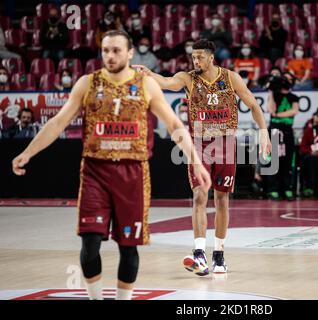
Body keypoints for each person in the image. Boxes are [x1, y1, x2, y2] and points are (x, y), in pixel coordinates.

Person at [11, 30, 211, 300]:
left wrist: (195, 161)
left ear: (130, 53)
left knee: (128, 247)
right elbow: (58, 122)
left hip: (133, 172)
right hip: (95, 171)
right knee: (90, 241)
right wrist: (28, 152)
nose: (110, 55)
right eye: (106, 50)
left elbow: (175, 124)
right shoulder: (87, 83)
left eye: (116, 50)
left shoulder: (145, 84)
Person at [141, 39, 271, 275]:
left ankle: (219, 255)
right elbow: (167, 82)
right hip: (199, 145)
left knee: (222, 199)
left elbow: (253, 104)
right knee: (200, 195)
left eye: (200, 57)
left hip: (225, 144)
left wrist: (263, 133)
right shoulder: (188, 78)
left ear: (211, 58)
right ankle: (199, 253)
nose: (196, 61)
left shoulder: (230, 78)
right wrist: (150, 74)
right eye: (193, 57)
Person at [267, 75, 299, 200]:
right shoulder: (274, 95)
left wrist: (278, 115)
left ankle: (287, 188)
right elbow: (271, 110)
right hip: (274, 131)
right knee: (273, 160)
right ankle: (273, 189)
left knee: (287, 160)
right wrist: (271, 92)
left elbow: (294, 111)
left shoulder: (293, 97)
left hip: (287, 132)